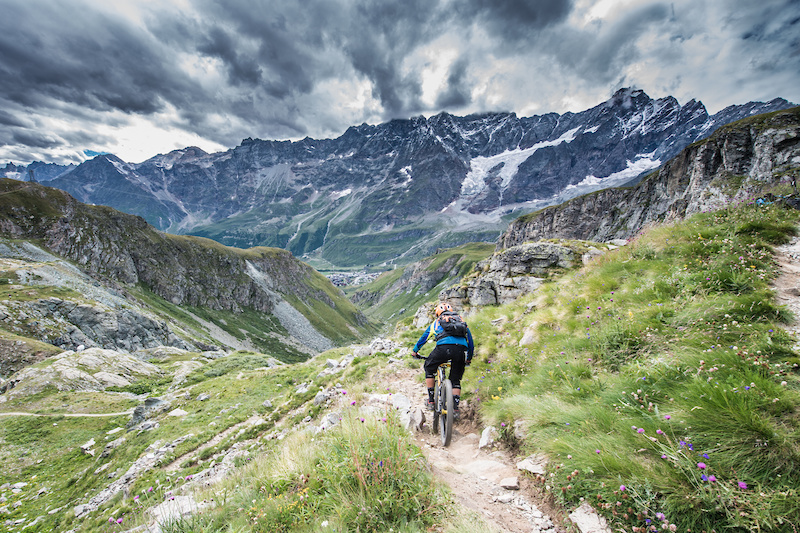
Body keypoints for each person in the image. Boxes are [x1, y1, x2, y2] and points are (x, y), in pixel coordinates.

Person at [411, 302, 474, 416]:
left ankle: (431, 401)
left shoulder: (436, 323)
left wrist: (415, 351)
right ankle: (455, 409)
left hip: (443, 349)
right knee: (456, 380)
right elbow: (470, 342)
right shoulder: (461, 321)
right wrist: (468, 359)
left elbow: (423, 339)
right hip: (460, 350)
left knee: (429, 367)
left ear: (437, 314)